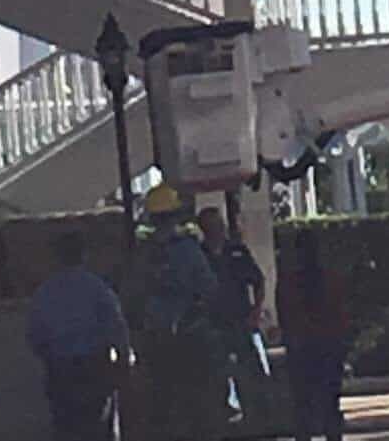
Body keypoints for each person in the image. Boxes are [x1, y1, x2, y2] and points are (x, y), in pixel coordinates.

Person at [130, 182, 222, 440]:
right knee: (199, 406)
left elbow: (131, 297)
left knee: (163, 408)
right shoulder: (188, 250)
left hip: (156, 341)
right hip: (190, 336)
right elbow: (210, 289)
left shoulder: (142, 255)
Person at [28, 228, 129, 441]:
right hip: (94, 366)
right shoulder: (98, 288)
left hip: (60, 369)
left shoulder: (44, 292)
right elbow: (117, 327)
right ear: (84, 255)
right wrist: (122, 361)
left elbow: (35, 337)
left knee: (66, 427)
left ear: (56, 257)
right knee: (98, 426)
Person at [198, 204, 270, 428]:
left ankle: (257, 415)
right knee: (216, 373)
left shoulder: (236, 251)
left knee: (251, 370)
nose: (217, 229)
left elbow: (258, 281)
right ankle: (224, 417)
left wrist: (256, 311)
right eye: (211, 225)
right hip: (213, 323)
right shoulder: (198, 256)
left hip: (240, 320)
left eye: (218, 224)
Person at [276, 228, 349, 441]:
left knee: (302, 404)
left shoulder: (289, 282)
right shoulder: (331, 279)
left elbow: (285, 315)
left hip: (301, 346)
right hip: (328, 344)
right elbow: (341, 314)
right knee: (330, 402)